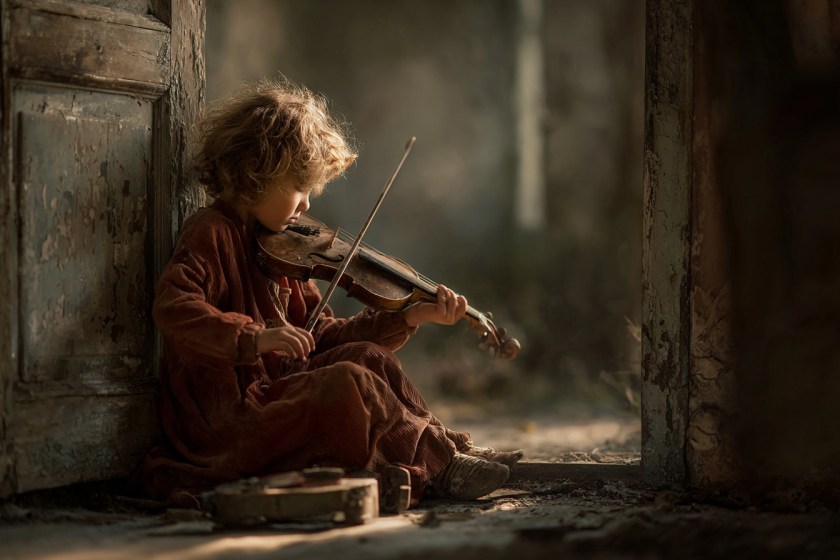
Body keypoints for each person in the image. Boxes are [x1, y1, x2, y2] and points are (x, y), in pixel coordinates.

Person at [131, 78, 522, 511]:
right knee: (345, 381)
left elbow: (329, 338)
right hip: (232, 415)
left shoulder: (281, 246)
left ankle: (441, 451)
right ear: (257, 172)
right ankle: (438, 466)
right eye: (301, 189)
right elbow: (172, 307)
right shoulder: (210, 233)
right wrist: (254, 338)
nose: (307, 207)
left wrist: (412, 316)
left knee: (369, 359)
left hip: (281, 391)